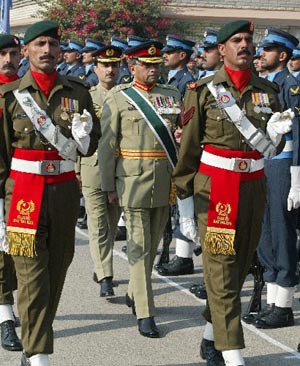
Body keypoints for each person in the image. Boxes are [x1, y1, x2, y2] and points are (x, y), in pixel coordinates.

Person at [173, 20, 292, 366]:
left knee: (237, 269)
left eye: (248, 40)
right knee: (222, 270)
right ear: (221, 49)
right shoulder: (202, 90)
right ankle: (233, 354)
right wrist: (183, 206)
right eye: (236, 40)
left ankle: (212, 335)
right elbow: (189, 152)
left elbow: (271, 147)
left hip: (254, 188)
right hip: (215, 191)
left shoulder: (267, 91)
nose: (245, 44)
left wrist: (277, 134)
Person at [0, 20, 100, 366]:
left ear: (60, 51)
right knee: (30, 279)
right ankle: (38, 354)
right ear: (26, 51)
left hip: (63, 195)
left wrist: (85, 140)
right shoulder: (10, 97)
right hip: (23, 195)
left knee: (56, 271)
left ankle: (34, 341)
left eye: (52, 45)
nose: (46, 50)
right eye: (39, 44)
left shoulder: (78, 91)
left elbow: (91, 144)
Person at [98, 40, 181, 338]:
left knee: (153, 247)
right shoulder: (120, 98)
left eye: (156, 65)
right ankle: (146, 312)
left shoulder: (171, 95)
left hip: (163, 182)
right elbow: (107, 147)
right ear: (132, 67)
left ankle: (134, 292)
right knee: (139, 246)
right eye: (146, 65)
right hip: (131, 181)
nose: (152, 70)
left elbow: (178, 136)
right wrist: (108, 185)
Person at [253, 28, 300, 329]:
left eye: (267, 50)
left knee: (281, 233)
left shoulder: (290, 86)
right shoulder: (263, 84)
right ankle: (271, 301)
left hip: (284, 165)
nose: (261, 55)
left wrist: (297, 178)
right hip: (264, 164)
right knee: (265, 232)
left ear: (282, 55)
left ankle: (283, 306)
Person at [76, 44, 122, 297]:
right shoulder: (87, 96)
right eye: (105, 65)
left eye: (114, 65)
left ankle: (100, 263)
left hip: (119, 168)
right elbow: (78, 135)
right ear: (95, 68)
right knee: (98, 224)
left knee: (113, 223)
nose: (110, 70)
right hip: (92, 166)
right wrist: (76, 168)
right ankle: (106, 275)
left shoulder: (127, 95)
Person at [157, 35, 196, 277]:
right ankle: (177, 252)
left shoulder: (187, 82)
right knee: (177, 203)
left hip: (181, 148)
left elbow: (185, 120)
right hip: (171, 145)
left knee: (184, 201)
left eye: (170, 52)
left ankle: (184, 255)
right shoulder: (171, 79)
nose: (165, 56)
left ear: (182, 56)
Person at [0, 33, 22, 353]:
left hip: (26, 183)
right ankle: (5, 316)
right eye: (2, 54)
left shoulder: (31, 90)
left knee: (26, 252)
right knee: (3, 253)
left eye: (12, 53)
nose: (8, 59)